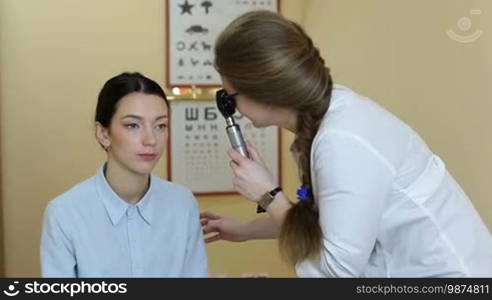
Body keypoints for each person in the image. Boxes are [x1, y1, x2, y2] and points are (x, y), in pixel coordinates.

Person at [200, 10, 492, 277]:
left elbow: (338, 271)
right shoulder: (326, 119)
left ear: (264, 91)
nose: (232, 108)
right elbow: (322, 224)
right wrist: (242, 230)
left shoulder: (343, 141)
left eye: (230, 96)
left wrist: (267, 195)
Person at [41, 72, 208, 277]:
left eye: (160, 126)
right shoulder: (65, 213)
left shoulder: (182, 204)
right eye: (132, 125)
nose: (151, 140)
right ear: (103, 134)